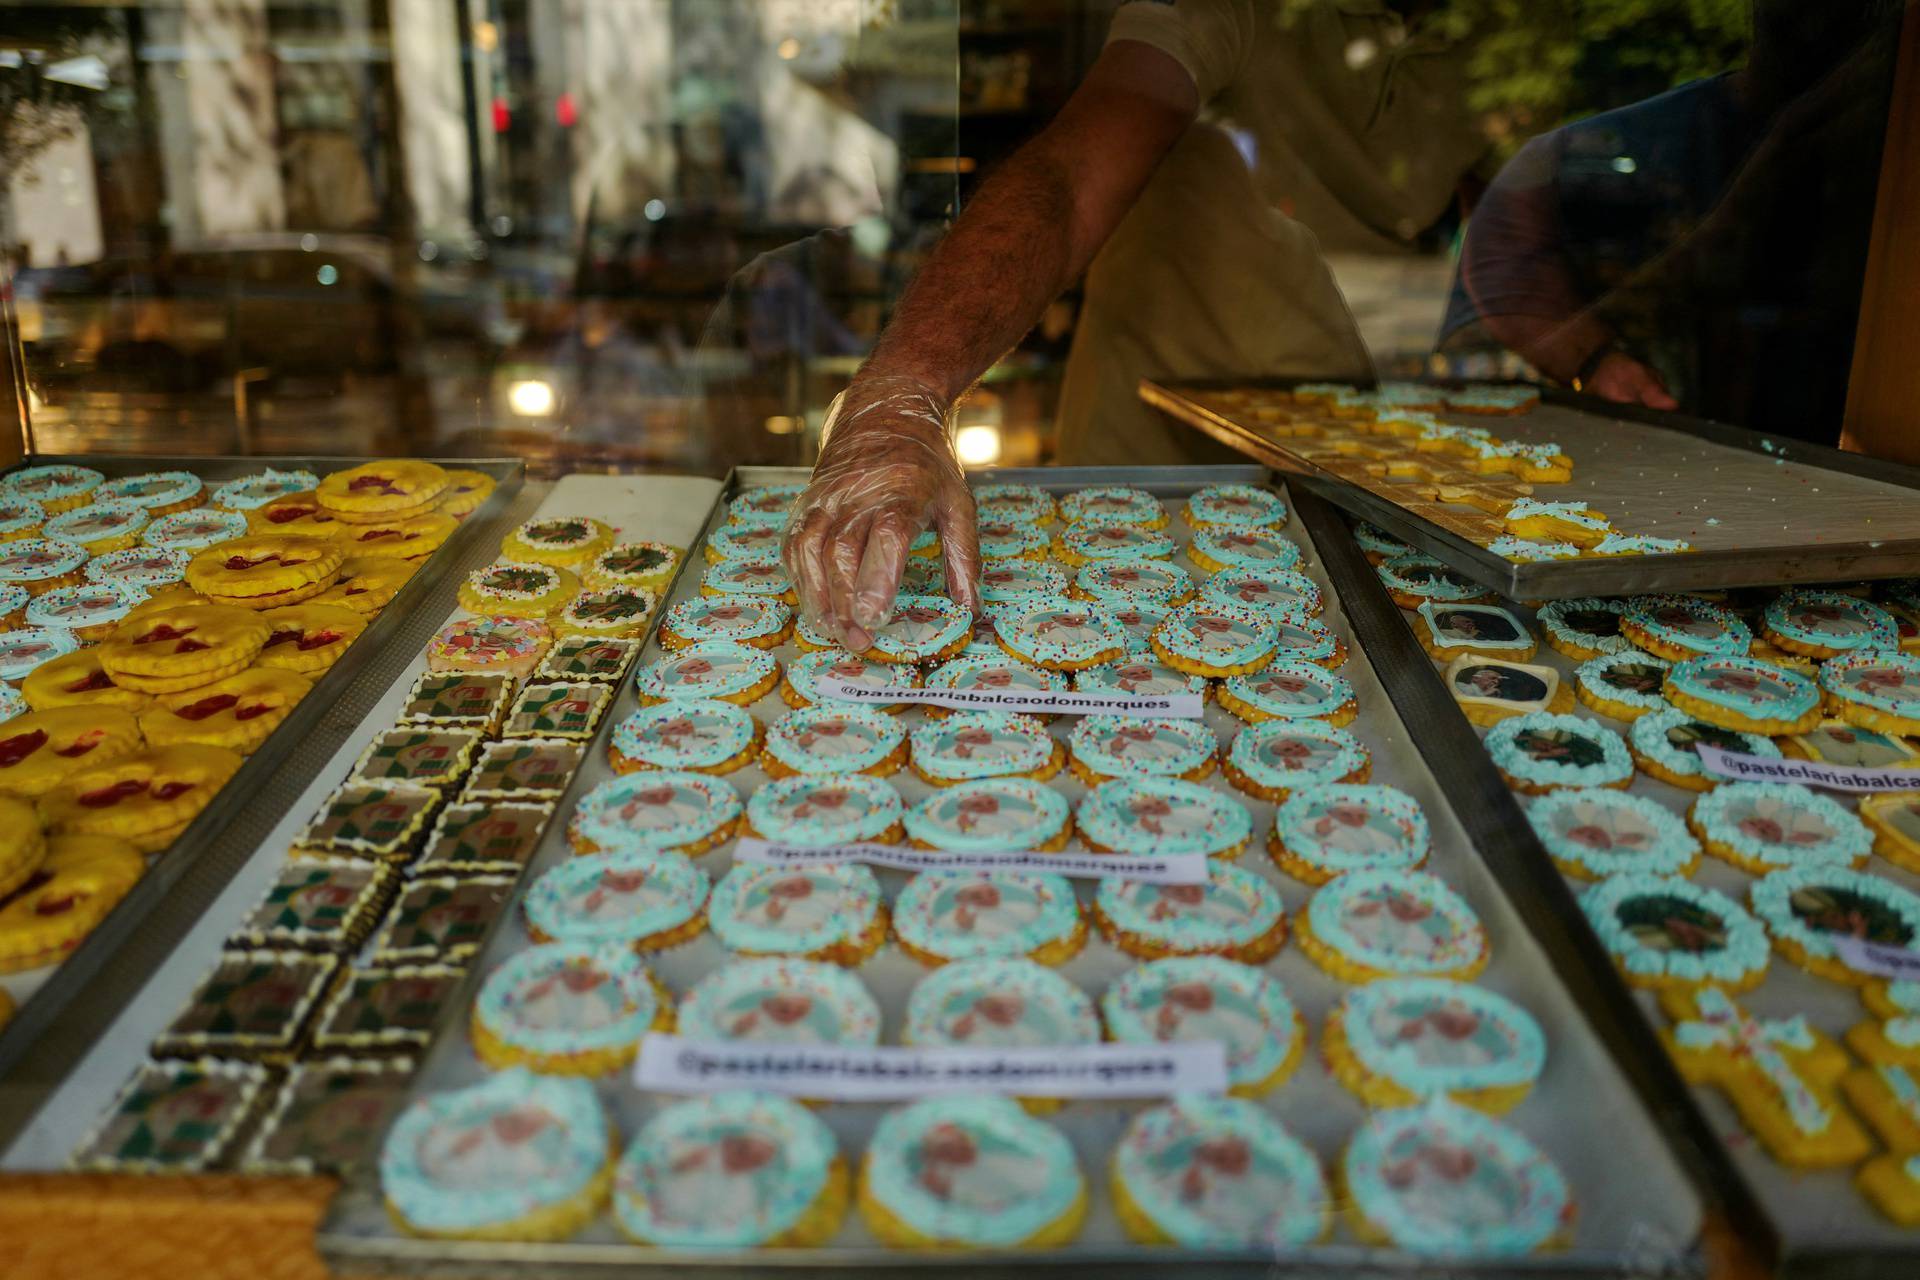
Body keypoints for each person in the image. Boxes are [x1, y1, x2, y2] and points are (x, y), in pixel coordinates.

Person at [783, 1, 1498, 650]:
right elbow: (1072, 175)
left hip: (1348, 445)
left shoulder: (1511, 39)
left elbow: (1514, 218)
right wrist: (906, 387)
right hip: (1148, 423)